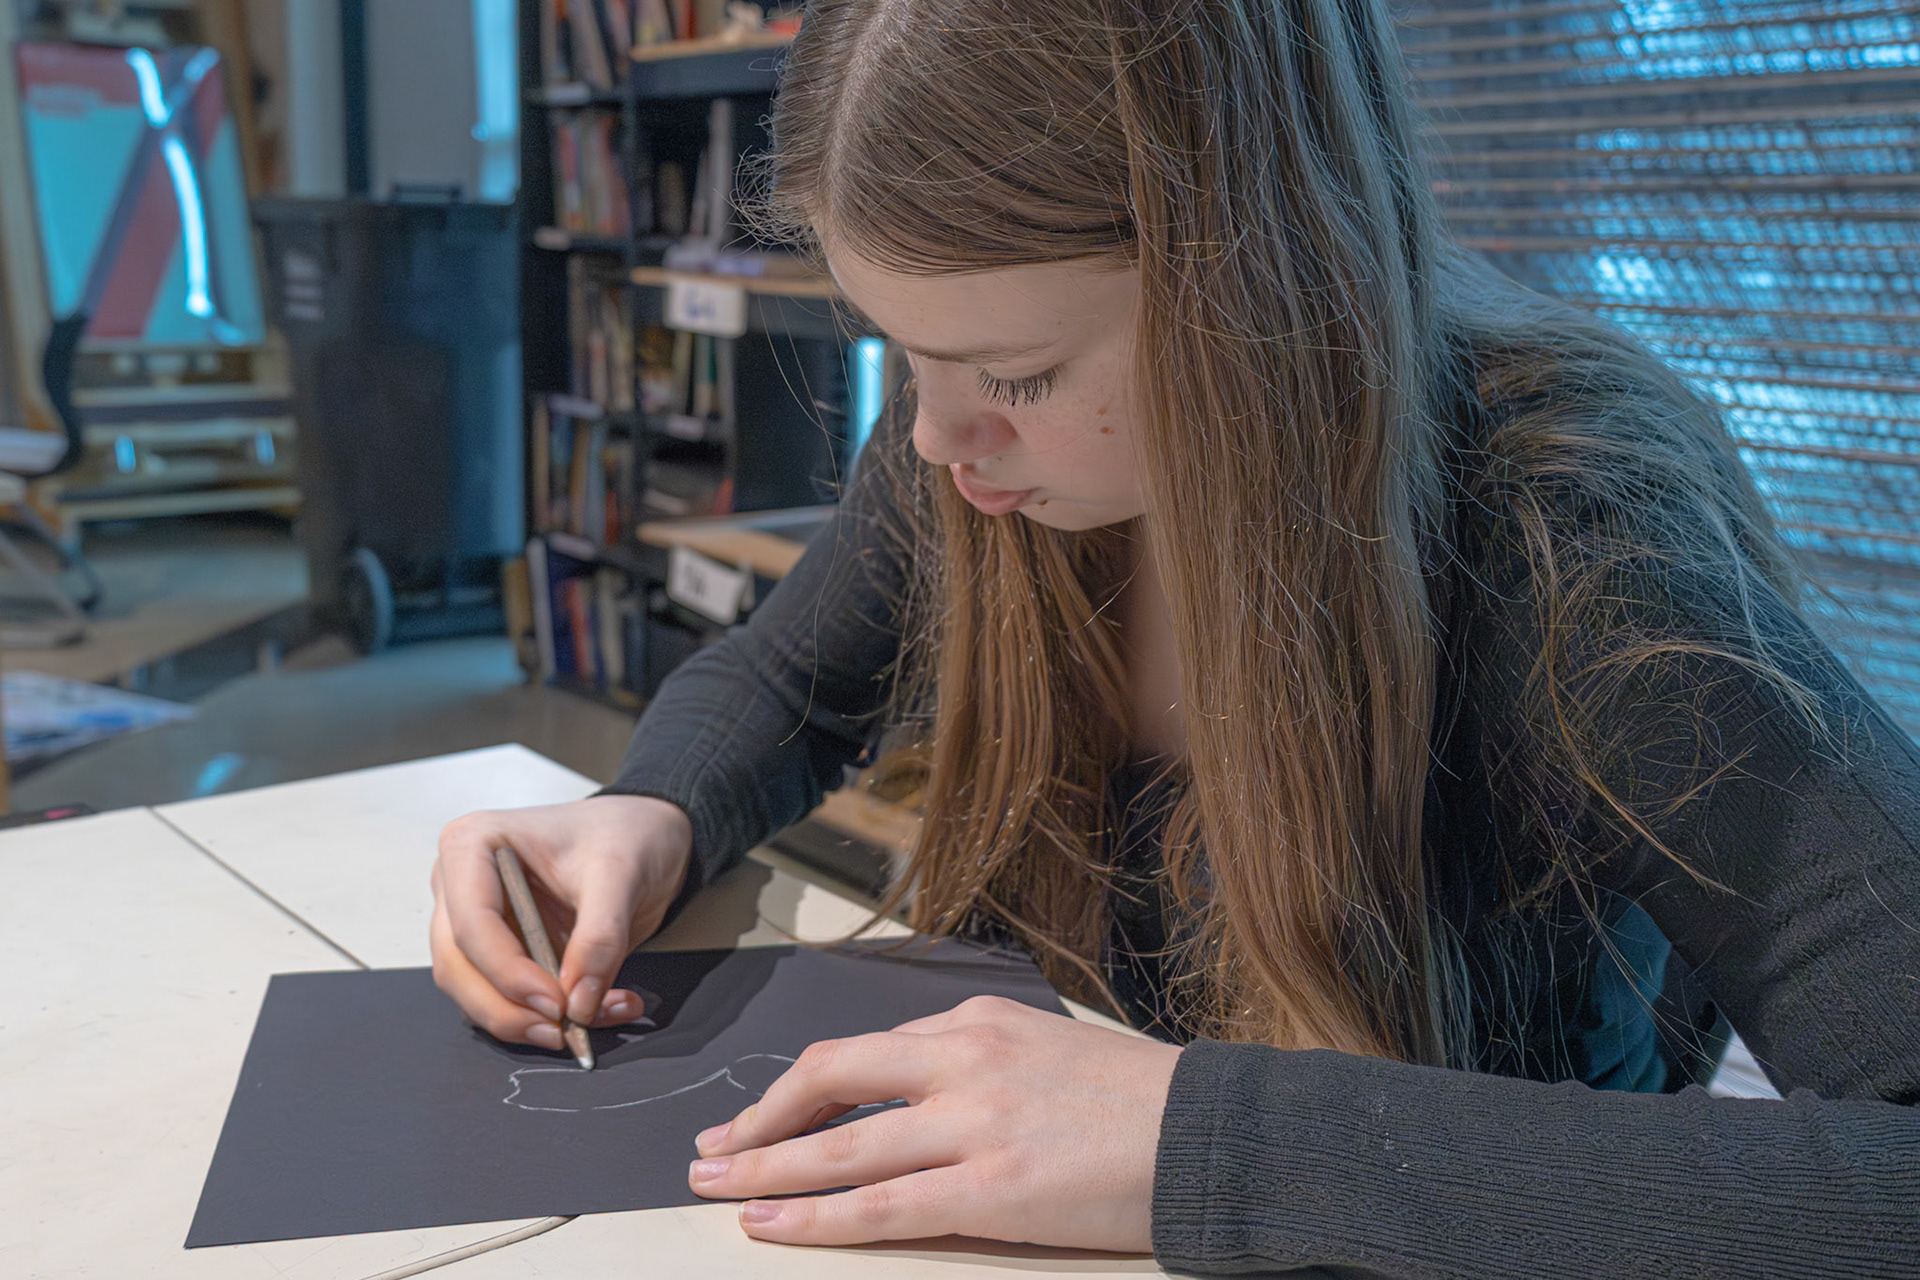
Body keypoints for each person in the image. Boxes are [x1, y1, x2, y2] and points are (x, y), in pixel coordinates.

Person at [430, 1, 1920, 1274]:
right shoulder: (988, 452)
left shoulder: (1575, 539)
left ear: (1254, 285)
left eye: (1013, 367)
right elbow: (789, 678)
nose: (941, 440)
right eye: (907, 357)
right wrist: (649, 808)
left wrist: (1197, 1136)